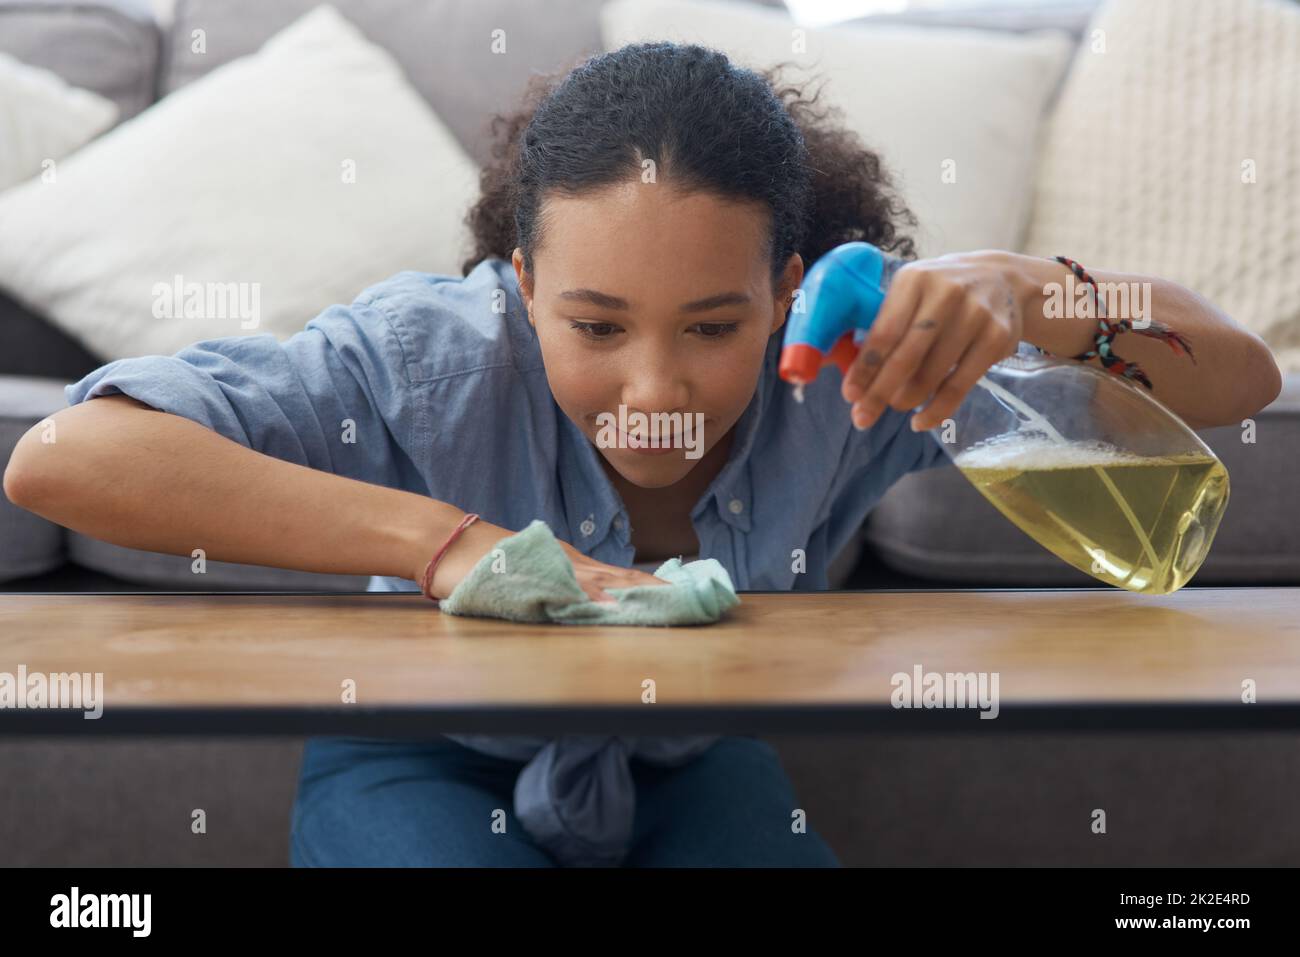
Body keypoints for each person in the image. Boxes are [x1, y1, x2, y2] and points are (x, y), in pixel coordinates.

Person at [4, 42, 1281, 867]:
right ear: (519, 285)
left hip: (696, 756)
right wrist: (447, 544)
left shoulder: (858, 370)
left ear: (784, 292)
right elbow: (64, 458)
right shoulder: (426, 352)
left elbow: (1242, 376)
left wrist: (1033, 291)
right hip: (427, 754)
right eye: (595, 327)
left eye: (715, 326)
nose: (655, 389)